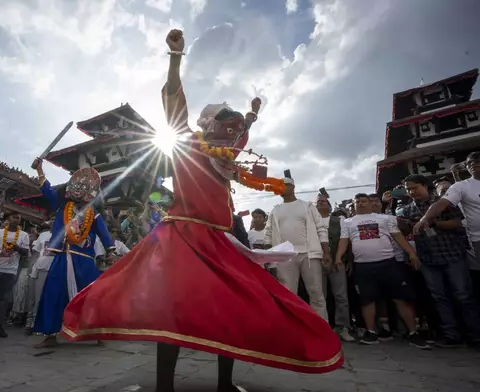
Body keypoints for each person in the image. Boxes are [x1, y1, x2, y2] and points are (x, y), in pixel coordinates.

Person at [61, 29, 343, 392]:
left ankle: (225, 384)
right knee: (174, 310)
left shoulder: (227, 159)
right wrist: (176, 58)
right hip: (182, 237)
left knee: (232, 307)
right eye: (227, 124)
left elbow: (240, 140)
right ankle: (165, 387)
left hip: (220, 241)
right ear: (209, 125)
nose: (233, 134)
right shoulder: (189, 147)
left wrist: (253, 116)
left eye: (235, 129)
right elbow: (175, 105)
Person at [31, 160, 117, 348]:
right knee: (54, 294)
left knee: (90, 296)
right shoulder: (62, 208)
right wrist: (39, 169)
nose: (79, 191)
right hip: (62, 257)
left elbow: (104, 234)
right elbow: (47, 191)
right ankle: (50, 334)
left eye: (84, 188)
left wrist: (111, 251)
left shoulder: (93, 214)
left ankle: (97, 332)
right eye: (76, 186)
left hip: (84, 261)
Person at [335, 194, 429, 349]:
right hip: (363, 266)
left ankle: (413, 332)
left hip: (388, 263)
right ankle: (371, 332)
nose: (361, 204)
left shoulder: (385, 219)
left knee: (400, 298)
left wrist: (411, 253)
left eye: (364, 201)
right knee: (367, 300)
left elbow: (398, 236)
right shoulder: (347, 222)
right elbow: (344, 240)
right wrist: (338, 256)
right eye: (357, 202)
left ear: (371, 204)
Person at [401, 174, 480, 347]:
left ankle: (474, 335)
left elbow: (459, 223)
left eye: (415, 187)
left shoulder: (444, 202)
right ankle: (451, 335)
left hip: (452, 255)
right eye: (408, 189)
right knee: (439, 297)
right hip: (428, 259)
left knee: (463, 295)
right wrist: (405, 224)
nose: (412, 192)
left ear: (425, 186)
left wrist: (433, 223)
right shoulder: (408, 209)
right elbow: (407, 231)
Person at [264, 177, 331, 321]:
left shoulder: (307, 206)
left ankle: (321, 331)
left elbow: (321, 228)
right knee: (288, 295)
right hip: (284, 256)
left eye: (284, 185)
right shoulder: (275, 210)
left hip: (309, 254)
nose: (280, 188)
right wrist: (269, 258)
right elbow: (268, 235)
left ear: (292, 187)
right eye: (278, 186)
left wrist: (326, 252)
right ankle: (293, 332)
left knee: (316, 294)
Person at [315, 194, 354, 342]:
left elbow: (344, 239)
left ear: (330, 206)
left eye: (324, 201)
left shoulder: (339, 220)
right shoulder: (311, 222)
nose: (321, 203)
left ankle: (342, 327)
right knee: (319, 296)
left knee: (340, 295)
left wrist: (338, 258)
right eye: (318, 202)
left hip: (337, 262)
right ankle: (321, 327)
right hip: (316, 262)